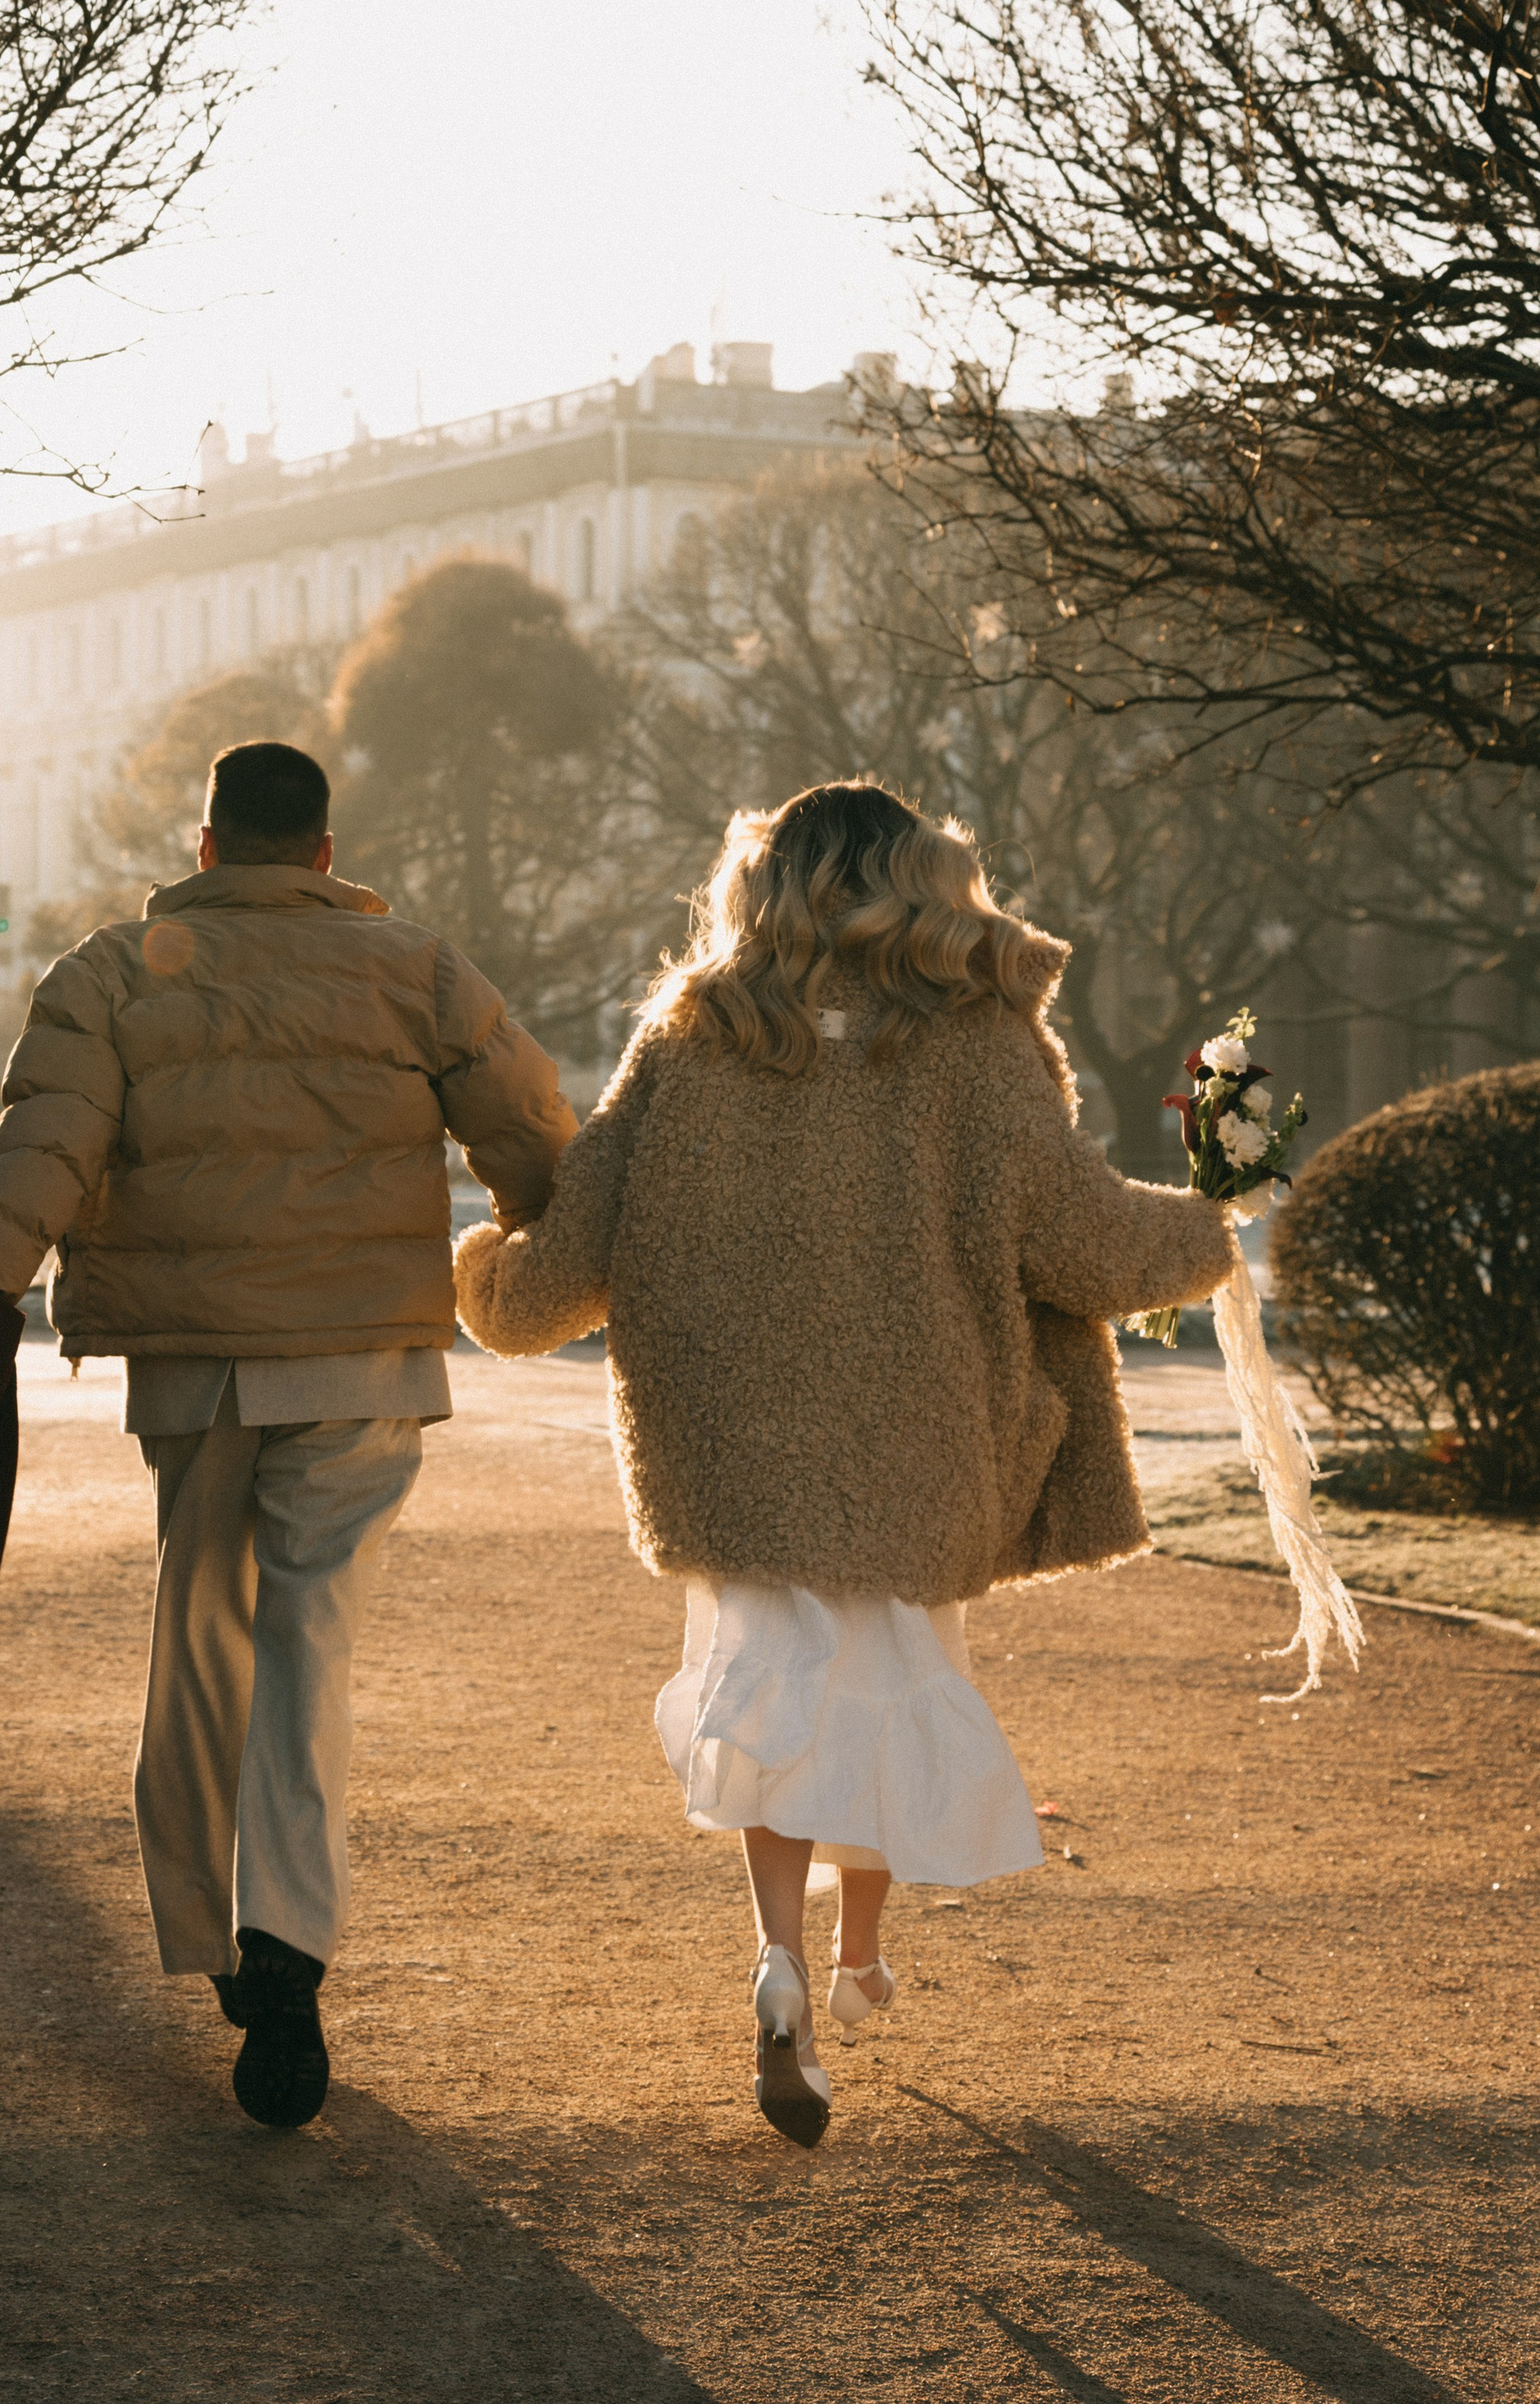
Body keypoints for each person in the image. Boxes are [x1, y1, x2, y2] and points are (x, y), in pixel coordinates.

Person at [455, 780, 1237, 2148]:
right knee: (886, 1690)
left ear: (762, 884)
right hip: (916, 1441)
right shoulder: (976, 1046)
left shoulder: (693, 1035)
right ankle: (866, 1958)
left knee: (774, 1699)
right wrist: (1215, 1224)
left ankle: (781, 1962)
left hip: (730, 1445)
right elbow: (1082, 1238)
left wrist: (487, 1279)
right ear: (923, 879)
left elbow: (575, 1250)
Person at [0, 739, 573, 2129]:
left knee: (202, 1627)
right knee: (311, 1641)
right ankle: (288, 1933)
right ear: (328, 857)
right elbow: (526, 1129)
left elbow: (49, 1138)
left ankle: (219, 1924)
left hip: (193, 1358)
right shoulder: (417, 967)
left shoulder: (110, 968)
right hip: (360, 1355)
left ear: (207, 848)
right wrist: (566, 1249)